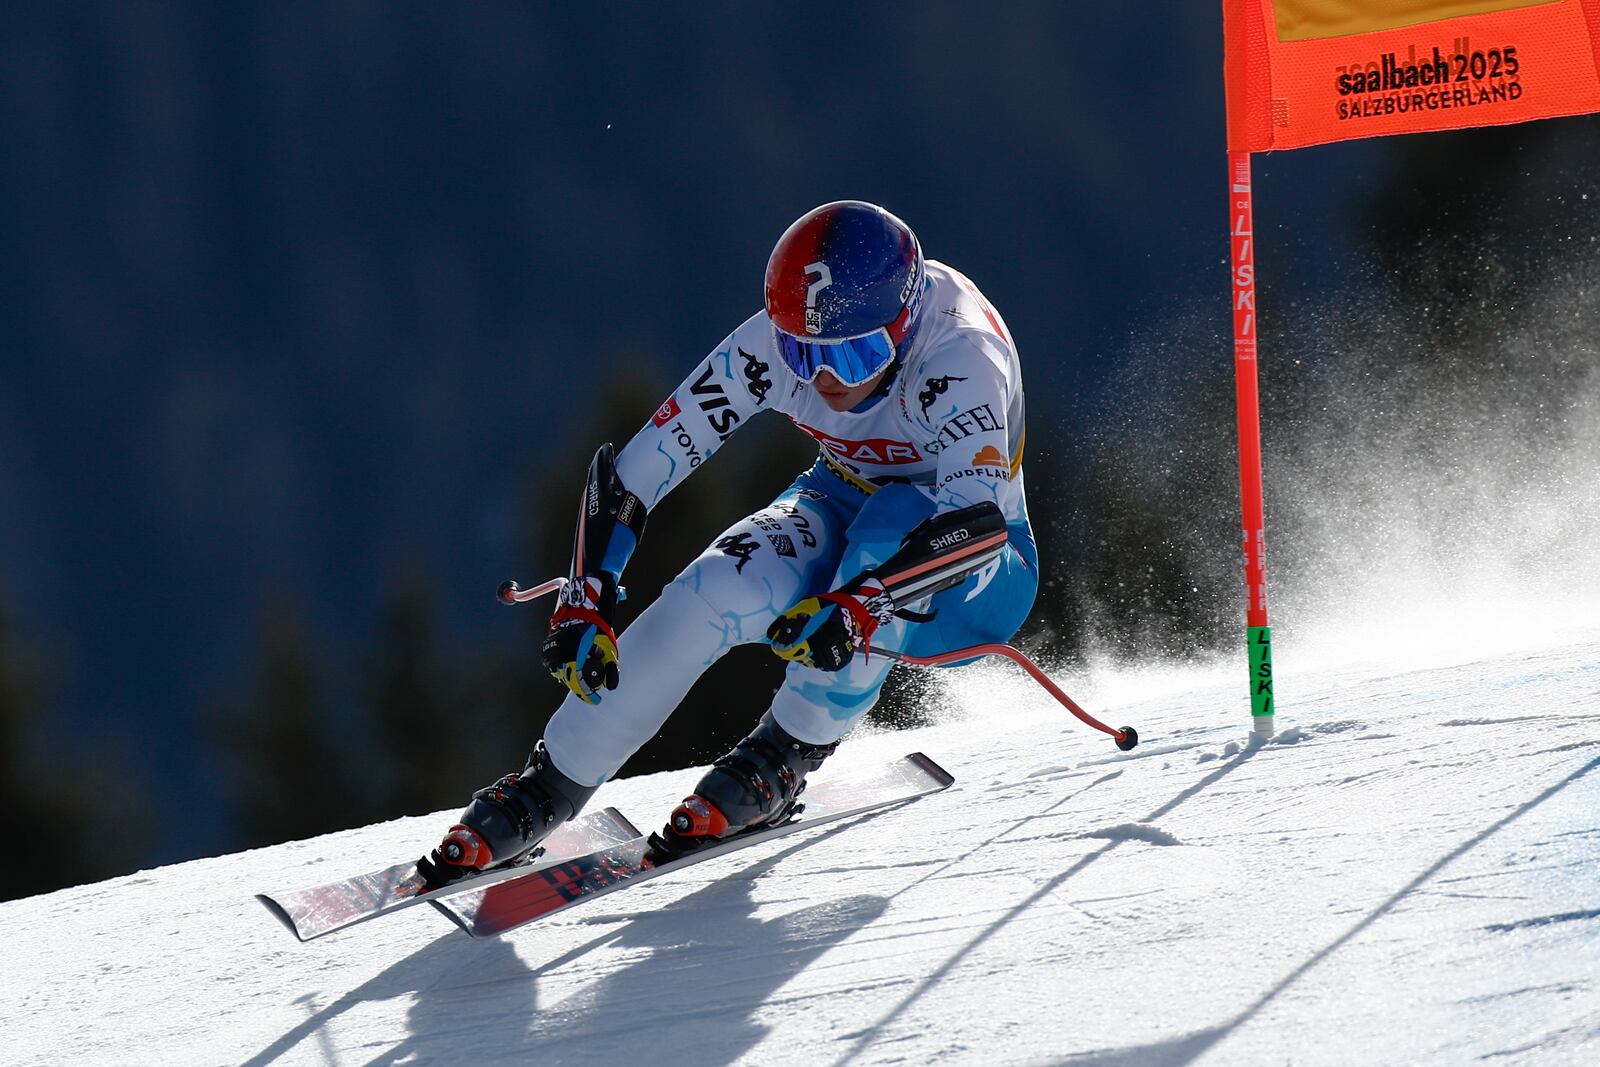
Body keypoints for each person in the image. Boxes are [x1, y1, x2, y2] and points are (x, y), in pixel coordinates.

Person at [419, 200, 1038, 882]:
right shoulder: (771, 344)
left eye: (857, 354)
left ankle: (785, 751)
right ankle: (550, 781)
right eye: (804, 355)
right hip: (838, 497)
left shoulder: (961, 358)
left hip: (976, 570)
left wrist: (865, 599)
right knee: (712, 588)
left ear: (905, 326)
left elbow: (976, 526)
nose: (825, 380)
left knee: (882, 531)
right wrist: (586, 592)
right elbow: (637, 472)